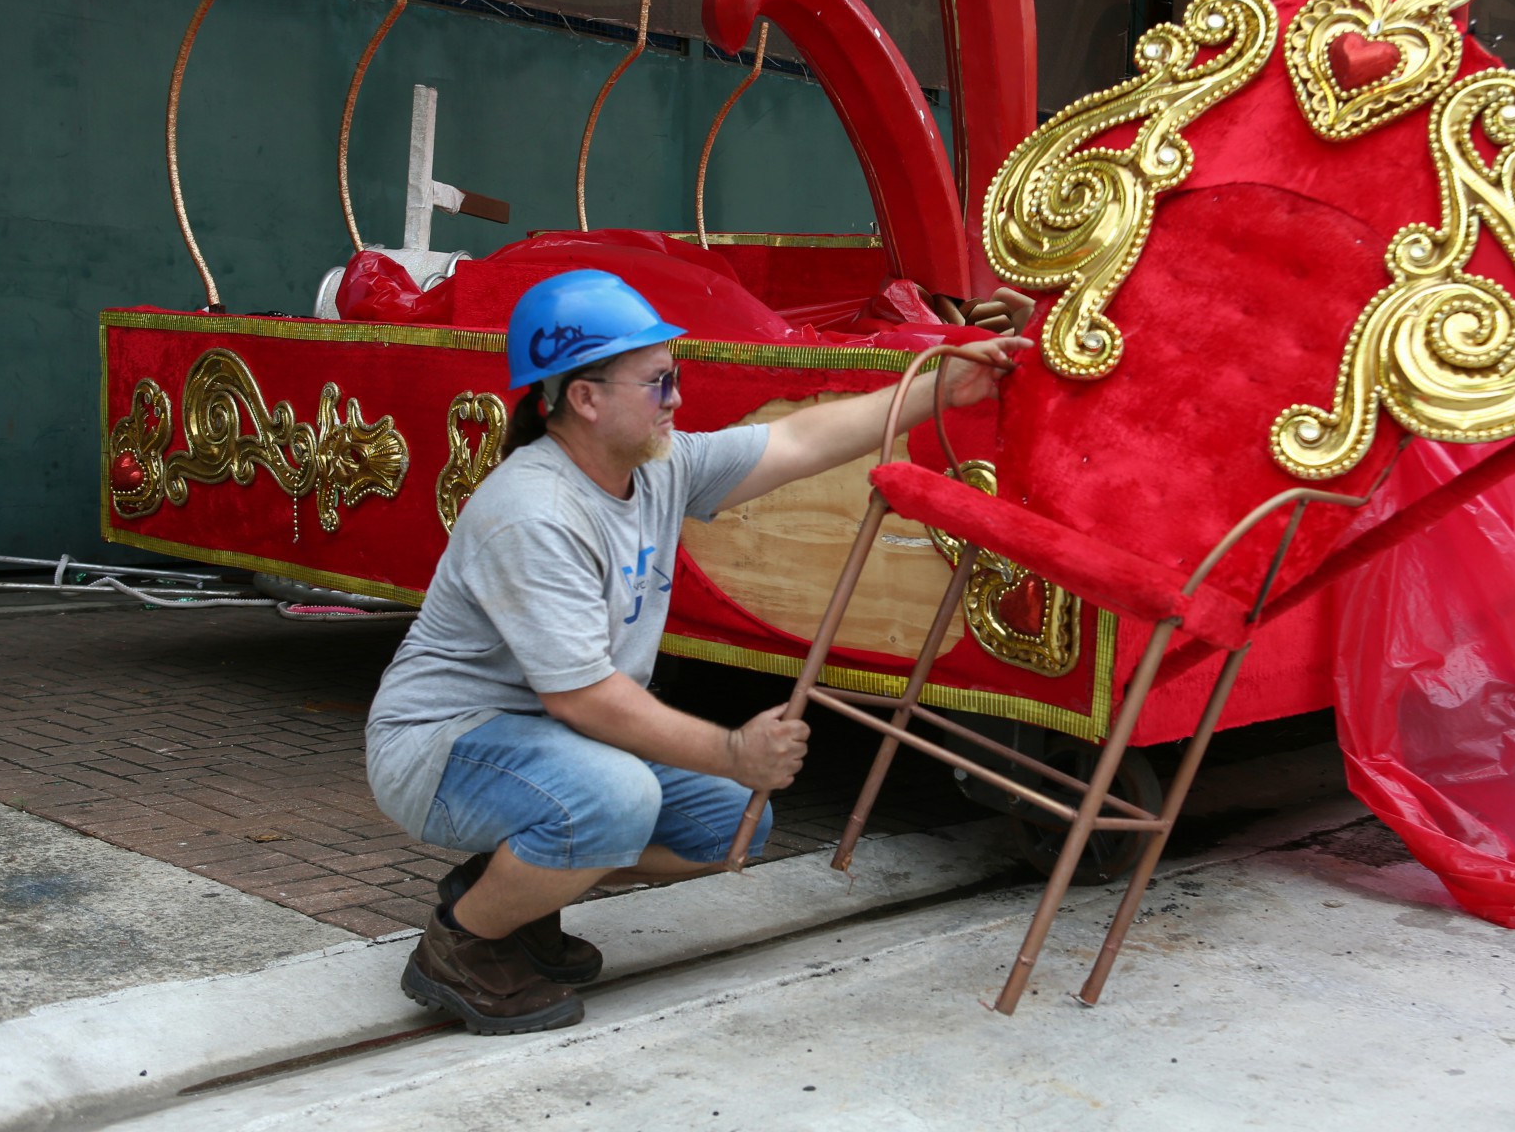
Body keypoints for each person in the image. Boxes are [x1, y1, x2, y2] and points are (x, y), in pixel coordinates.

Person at [364, 268, 1027, 1034]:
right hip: (442, 750)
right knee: (619, 801)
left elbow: (799, 439)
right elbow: (583, 699)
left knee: (731, 824)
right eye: (658, 381)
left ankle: (517, 891)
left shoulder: (656, 466)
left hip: (556, 745)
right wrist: (732, 746)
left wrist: (945, 387)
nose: (677, 397)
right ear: (585, 397)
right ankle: (465, 943)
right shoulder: (534, 511)